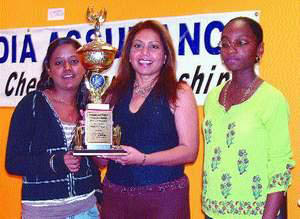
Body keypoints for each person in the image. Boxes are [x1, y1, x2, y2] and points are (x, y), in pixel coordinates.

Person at [101, 20, 199, 219]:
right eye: (138, 46)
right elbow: (101, 160)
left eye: (153, 47)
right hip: (116, 198)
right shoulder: (113, 93)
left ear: (165, 56)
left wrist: (144, 159)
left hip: (164, 200)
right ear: (129, 55)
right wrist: (91, 135)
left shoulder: (179, 92)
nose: (144, 53)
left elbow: (190, 152)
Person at [202, 17, 295, 219]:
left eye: (241, 43)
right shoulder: (212, 98)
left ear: (259, 49)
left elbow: (280, 166)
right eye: (225, 44)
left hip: (259, 214)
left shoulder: (271, 99)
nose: (231, 49)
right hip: (213, 212)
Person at [5, 37, 102, 218]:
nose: (67, 68)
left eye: (74, 61)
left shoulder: (90, 107)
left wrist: (98, 196)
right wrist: (55, 161)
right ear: (49, 70)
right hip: (43, 213)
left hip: (86, 211)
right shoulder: (32, 104)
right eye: (59, 63)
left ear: (84, 67)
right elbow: (13, 162)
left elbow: (99, 164)